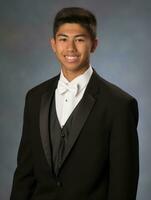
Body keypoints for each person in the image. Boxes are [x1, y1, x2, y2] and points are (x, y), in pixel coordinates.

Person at [10, 7, 139, 200]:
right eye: (63, 39)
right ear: (53, 44)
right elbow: (24, 174)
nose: (70, 48)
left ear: (94, 44)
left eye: (79, 39)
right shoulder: (34, 98)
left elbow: (123, 184)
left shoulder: (119, 104)